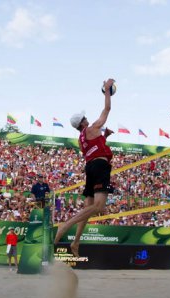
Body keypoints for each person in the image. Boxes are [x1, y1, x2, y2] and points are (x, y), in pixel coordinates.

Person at [54, 78, 116, 257]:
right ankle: (65, 225)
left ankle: (76, 242)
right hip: (99, 167)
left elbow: (93, 150)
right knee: (98, 207)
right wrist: (106, 90)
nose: (88, 119)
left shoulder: (81, 138)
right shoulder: (92, 127)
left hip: (90, 167)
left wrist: (105, 137)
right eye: (85, 118)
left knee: (87, 210)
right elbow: (107, 109)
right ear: (82, 122)